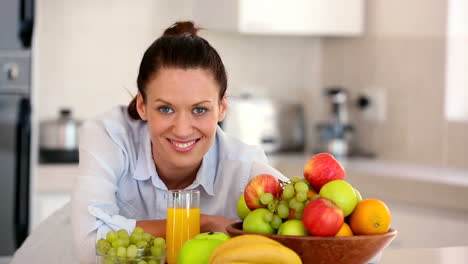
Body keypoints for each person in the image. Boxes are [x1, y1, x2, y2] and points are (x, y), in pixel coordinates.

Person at [70, 21, 288, 263]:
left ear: (222, 108)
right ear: (142, 106)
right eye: (165, 109)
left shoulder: (244, 168)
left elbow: (306, 228)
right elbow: (89, 246)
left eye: (200, 110)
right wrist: (205, 223)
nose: (183, 130)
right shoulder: (110, 135)